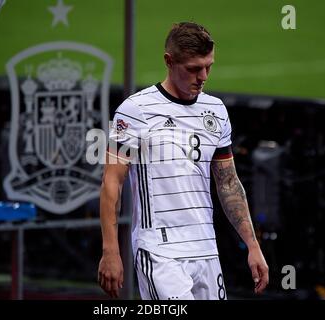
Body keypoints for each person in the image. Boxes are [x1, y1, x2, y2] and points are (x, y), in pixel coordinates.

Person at [98, 22, 269, 300]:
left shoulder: (216, 110)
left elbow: (228, 183)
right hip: (160, 252)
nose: (203, 76)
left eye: (208, 66)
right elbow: (111, 182)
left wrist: (252, 245)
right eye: (193, 68)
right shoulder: (135, 110)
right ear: (169, 61)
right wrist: (110, 251)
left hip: (206, 250)